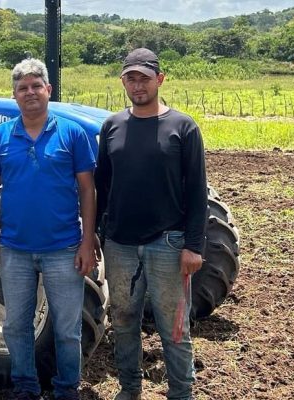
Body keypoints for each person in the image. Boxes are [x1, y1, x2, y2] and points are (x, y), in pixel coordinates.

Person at [0, 59, 99, 400]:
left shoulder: (71, 133)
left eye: (35, 86)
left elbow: (87, 189)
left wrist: (88, 240)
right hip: (14, 249)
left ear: (49, 90)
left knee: (67, 328)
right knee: (16, 325)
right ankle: (26, 387)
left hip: (63, 247)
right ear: (14, 95)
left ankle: (66, 388)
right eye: (22, 88)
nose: (29, 92)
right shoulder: (1, 135)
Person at [94, 48, 207, 400]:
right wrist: (98, 232)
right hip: (120, 244)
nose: (138, 85)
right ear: (123, 82)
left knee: (173, 326)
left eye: (144, 78)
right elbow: (103, 185)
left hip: (168, 242)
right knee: (124, 319)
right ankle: (130, 388)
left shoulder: (183, 127)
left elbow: (197, 189)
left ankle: (181, 392)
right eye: (131, 78)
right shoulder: (112, 126)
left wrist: (195, 245)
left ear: (159, 79)